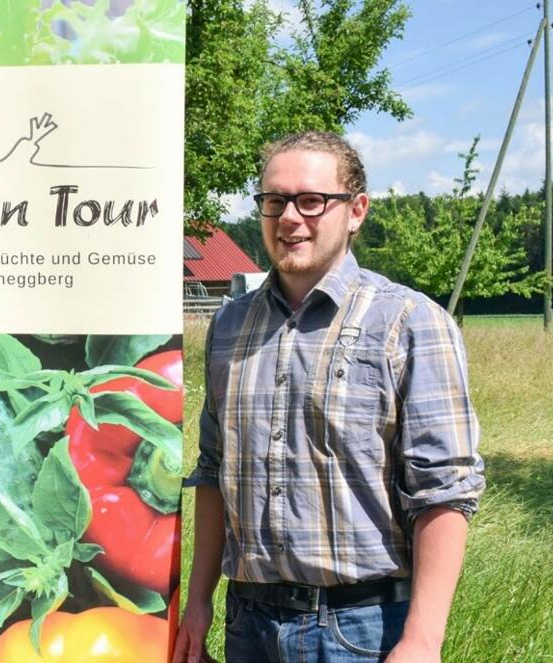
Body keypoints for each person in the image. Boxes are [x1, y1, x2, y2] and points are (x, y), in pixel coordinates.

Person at [173, 131, 485, 663]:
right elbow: (213, 471)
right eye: (275, 201)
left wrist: (422, 640)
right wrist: (198, 602)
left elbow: (444, 491)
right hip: (249, 624)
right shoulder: (229, 326)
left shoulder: (410, 323)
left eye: (312, 201)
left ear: (356, 210)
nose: (290, 218)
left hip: (363, 630)